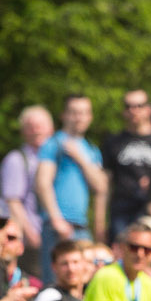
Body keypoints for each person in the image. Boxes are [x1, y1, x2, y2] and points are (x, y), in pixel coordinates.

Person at [36, 93, 108, 249]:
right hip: (57, 228)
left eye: (84, 113)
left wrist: (80, 158)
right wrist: (56, 220)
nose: (79, 118)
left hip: (82, 227)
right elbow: (42, 183)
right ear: (64, 115)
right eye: (74, 112)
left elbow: (101, 186)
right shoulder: (53, 144)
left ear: (90, 117)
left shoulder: (91, 149)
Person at [104, 88, 151, 239]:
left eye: (139, 106)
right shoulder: (113, 142)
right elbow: (106, 184)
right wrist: (100, 222)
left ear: (148, 109)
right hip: (121, 211)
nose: (133, 110)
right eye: (128, 106)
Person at [1, 104, 53, 270]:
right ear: (23, 131)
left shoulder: (56, 159)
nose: (36, 130)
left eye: (40, 125)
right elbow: (12, 202)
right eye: (30, 126)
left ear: (51, 128)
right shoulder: (16, 160)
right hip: (33, 241)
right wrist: (31, 235)